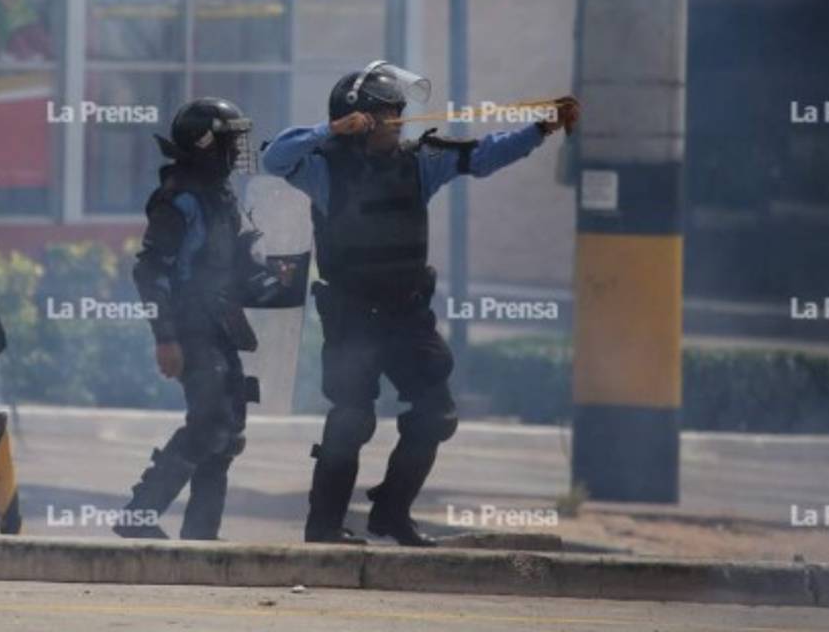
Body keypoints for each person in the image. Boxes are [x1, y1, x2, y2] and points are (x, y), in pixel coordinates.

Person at [262, 61, 579, 546]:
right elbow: (274, 160)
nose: (396, 119)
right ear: (359, 118)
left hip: (406, 314)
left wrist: (541, 127)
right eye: (386, 111)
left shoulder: (419, 162)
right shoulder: (324, 168)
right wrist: (330, 129)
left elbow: (485, 156)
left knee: (436, 414)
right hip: (352, 316)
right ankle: (323, 527)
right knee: (353, 418)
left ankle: (391, 512)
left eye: (397, 110)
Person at [116, 97, 284, 541]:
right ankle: (138, 516)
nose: (236, 152)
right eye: (229, 143)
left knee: (227, 432)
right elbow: (149, 272)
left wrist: (271, 278)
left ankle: (201, 536)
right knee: (209, 422)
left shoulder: (222, 197)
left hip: (219, 325)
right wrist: (165, 337)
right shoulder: (179, 199)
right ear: (206, 144)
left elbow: (240, 263)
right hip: (189, 327)